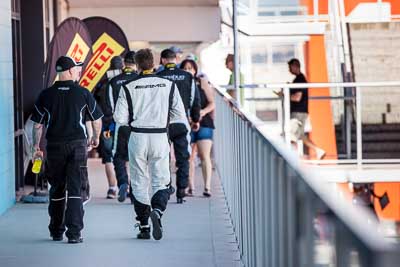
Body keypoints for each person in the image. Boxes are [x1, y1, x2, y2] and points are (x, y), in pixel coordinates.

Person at [114, 48, 188, 240]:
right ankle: (158, 210)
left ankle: (144, 226)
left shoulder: (127, 87)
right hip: (159, 136)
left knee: (138, 181)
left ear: (137, 65)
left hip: (137, 136)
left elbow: (119, 118)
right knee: (161, 179)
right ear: (154, 63)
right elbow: (179, 115)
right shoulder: (168, 84)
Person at [31, 56, 103, 243]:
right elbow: (96, 120)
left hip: (54, 146)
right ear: (70, 71)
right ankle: (74, 234)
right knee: (75, 189)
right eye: (77, 69)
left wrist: (36, 147)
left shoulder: (45, 95)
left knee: (56, 189)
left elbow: (37, 125)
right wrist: (95, 138)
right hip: (77, 146)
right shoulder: (83, 93)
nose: (78, 72)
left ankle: (56, 231)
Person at [157, 48, 201, 203]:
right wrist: (195, 119)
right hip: (182, 122)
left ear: (162, 60)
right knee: (183, 157)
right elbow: (194, 100)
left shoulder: (158, 77)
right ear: (175, 59)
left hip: (163, 123)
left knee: (164, 157)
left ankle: (166, 187)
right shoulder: (188, 76)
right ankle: (181, 191)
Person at [105, 51, 139, 202]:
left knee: (118, 157)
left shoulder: (114, 81)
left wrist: (109, 126)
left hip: (120, 125)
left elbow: (109, 107)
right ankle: (135, 192)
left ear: (124, 63)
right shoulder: (140, 80)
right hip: (139, 125)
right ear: (136, 63)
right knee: (137, 158)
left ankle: (123, 183)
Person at [181, 59, 215, 197]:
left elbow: (212, 103)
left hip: (204, 122)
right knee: (188, 157)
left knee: (204, 155)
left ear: (195, 70)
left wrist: (203, 112)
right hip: (186, 123)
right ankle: (191, 187)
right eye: (185, 68)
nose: (188, 70)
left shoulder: (202, 82)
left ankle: (207, 187)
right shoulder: (180, 84)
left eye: (191, 68)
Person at [287, 58, 326, 160]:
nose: (289, 70)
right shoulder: (299, 79)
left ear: (295, 66)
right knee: (300, 135)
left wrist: (285, 95)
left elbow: (297, 97)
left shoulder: (300, 80)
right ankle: (318, 150)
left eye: (290, 67)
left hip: (298, 113)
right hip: (301, 112)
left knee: (291, 135)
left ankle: (294, 159)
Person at [96, 56, 124, 199]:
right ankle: (126, 184)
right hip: (124, 125)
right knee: (125, 156)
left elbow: (95, 103)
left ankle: (112, 189)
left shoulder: (103, 83)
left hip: (106, 126)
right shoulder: (127, 81)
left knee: (108, 157)